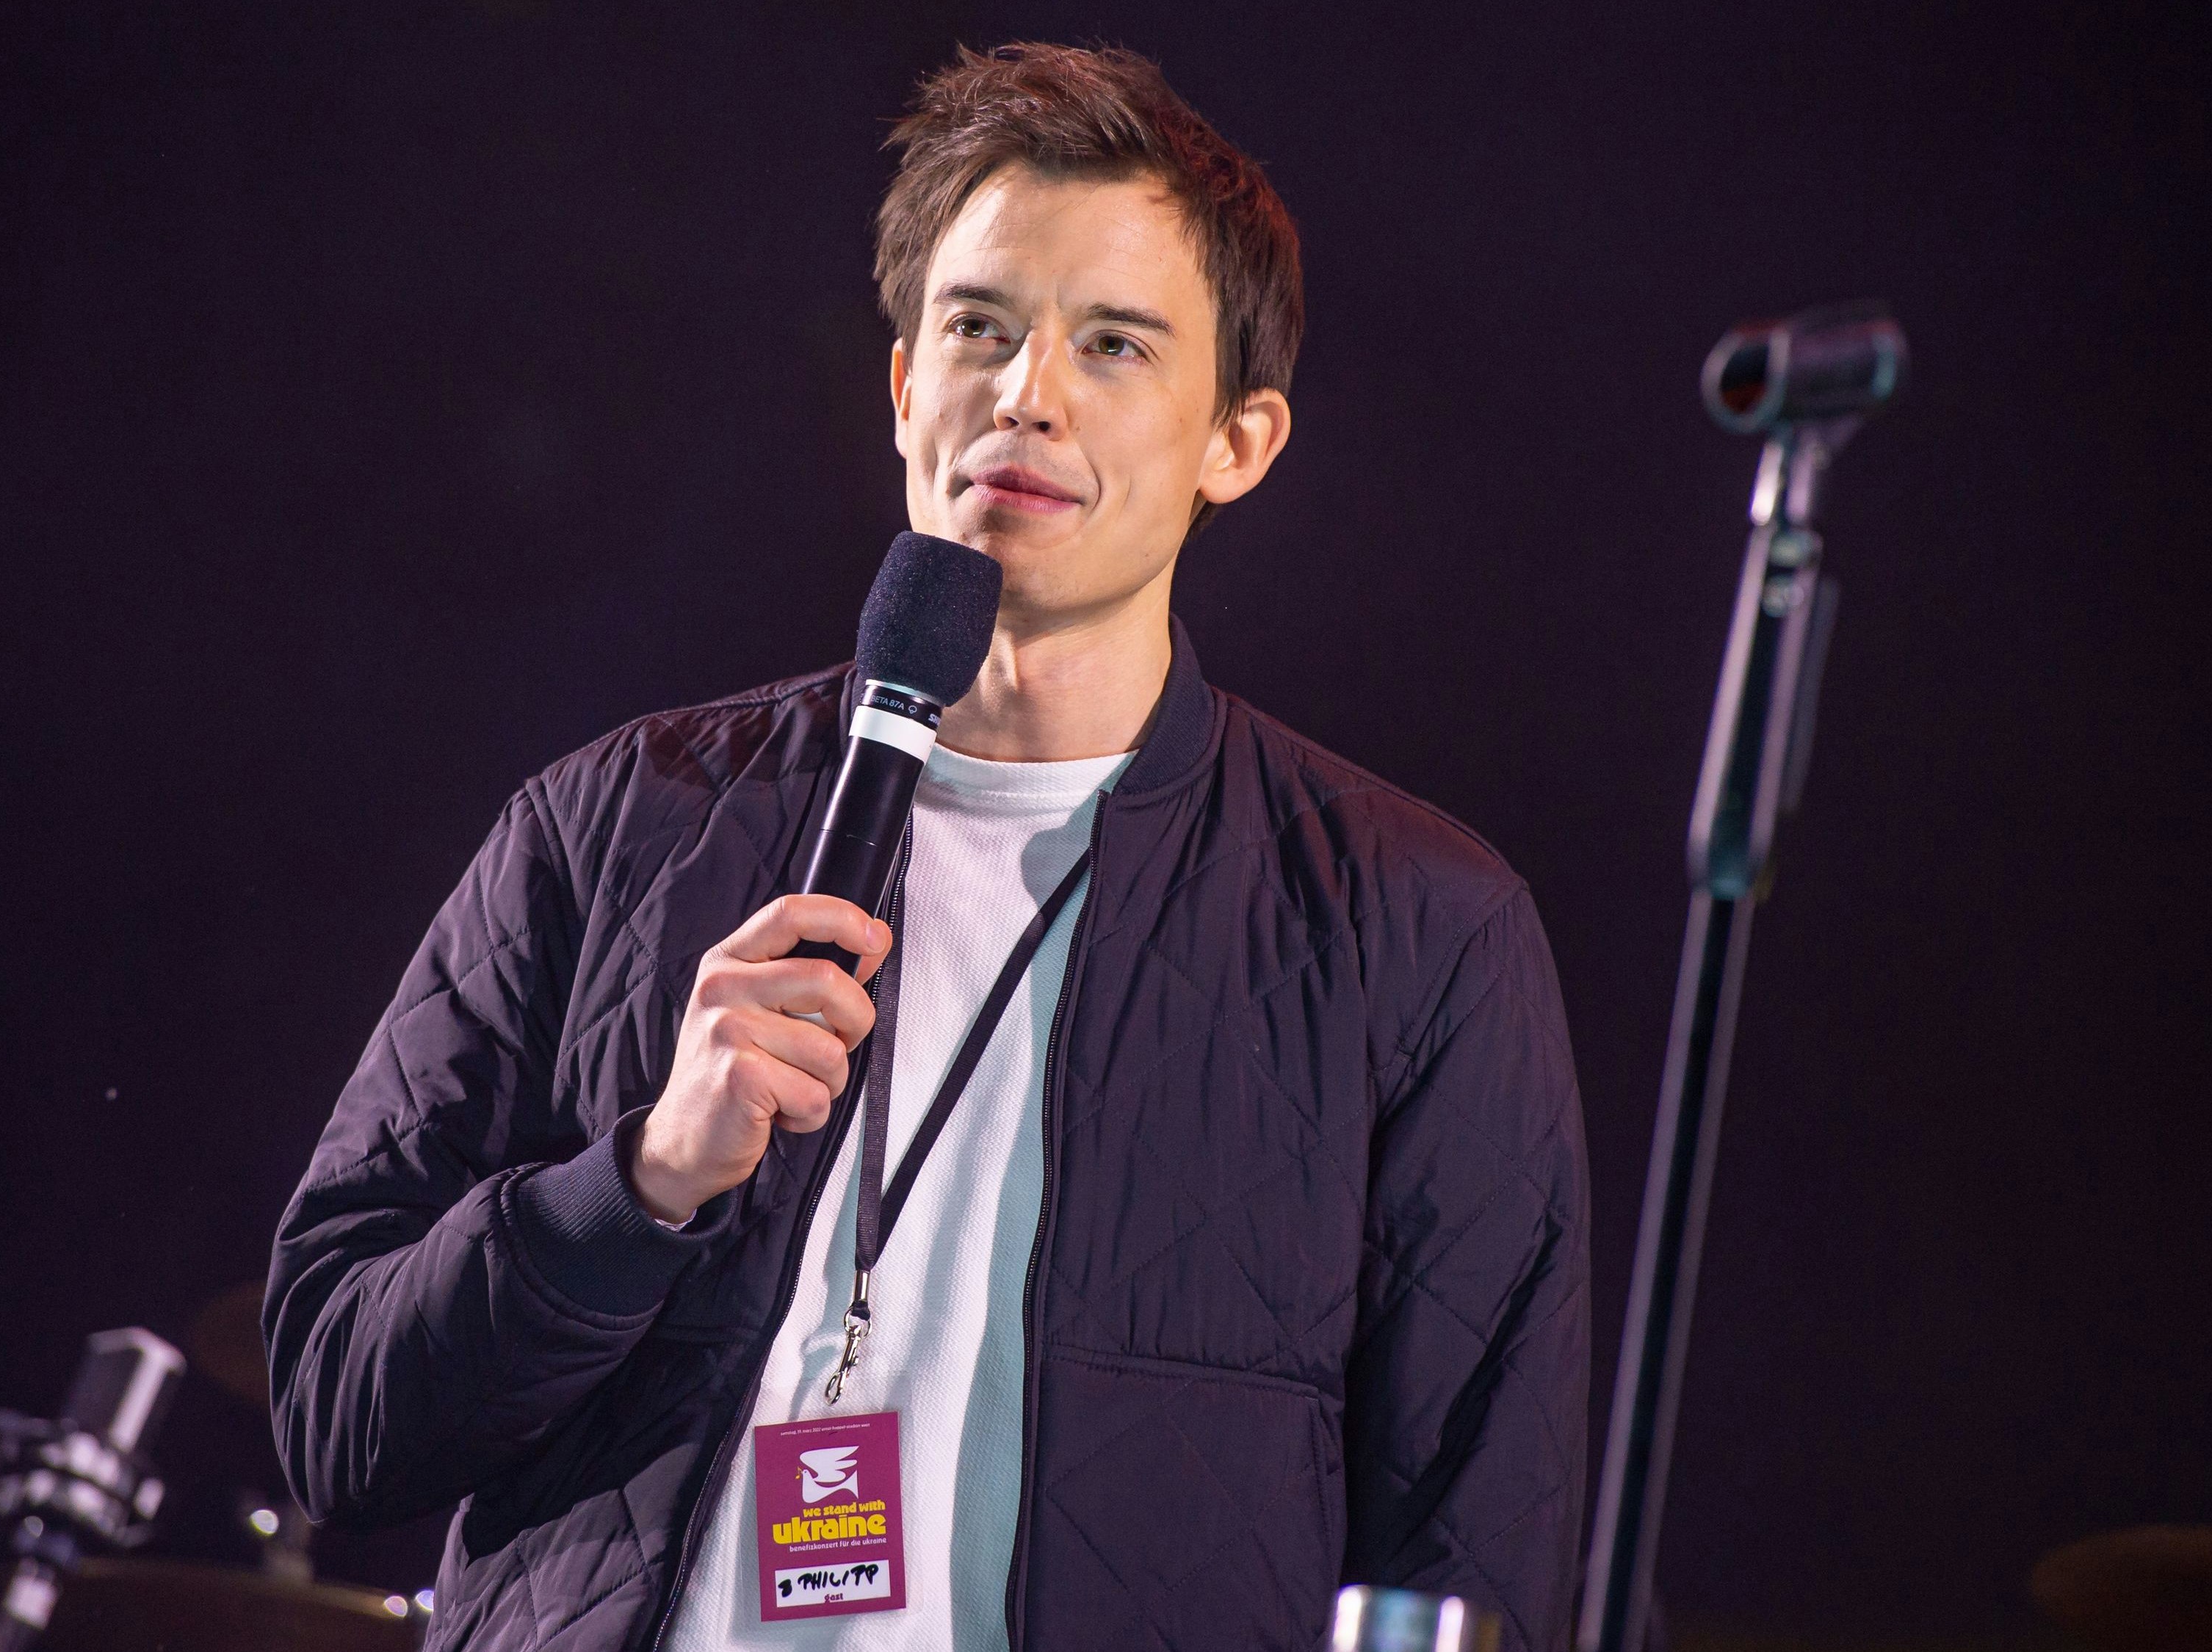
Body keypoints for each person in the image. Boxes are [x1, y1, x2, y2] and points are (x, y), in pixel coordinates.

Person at [267, 42, 1588, 1652]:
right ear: (904, 386)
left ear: (1236, 441)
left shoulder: (1411, 925)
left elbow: (1475, 1551)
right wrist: (639, 1183)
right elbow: (335, 1416)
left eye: (1111, 344)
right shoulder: (614, 823)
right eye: (977, 326)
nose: (1024, 391)